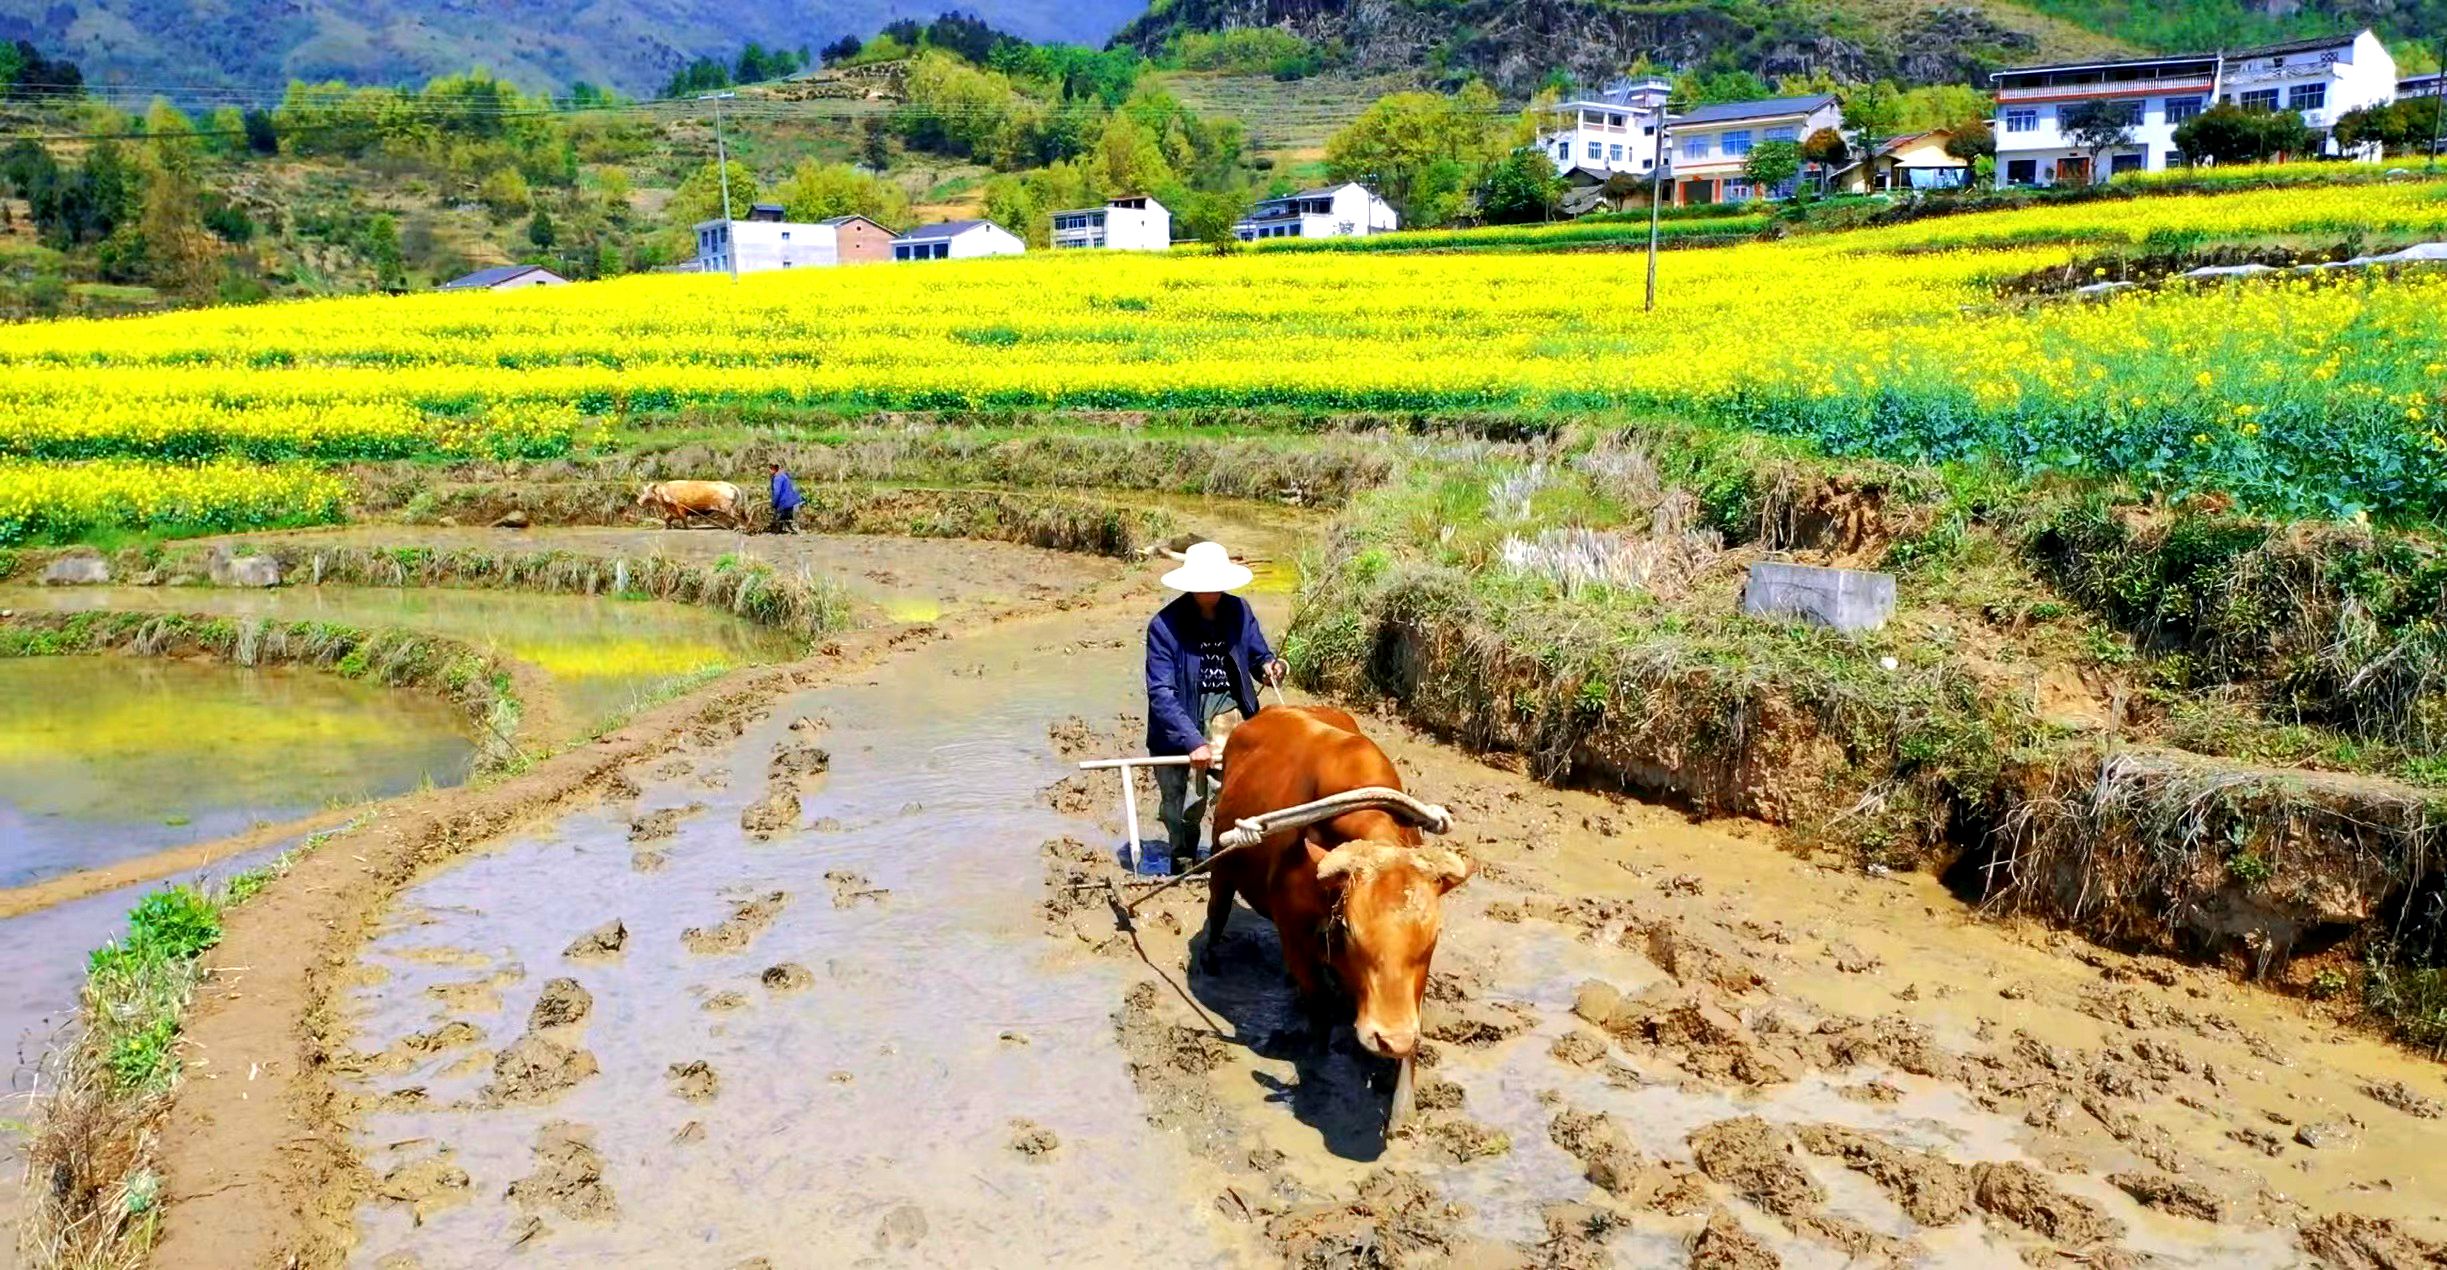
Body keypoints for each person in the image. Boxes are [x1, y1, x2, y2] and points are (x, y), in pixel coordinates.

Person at [1145, 541, 1286, 873]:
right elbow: (1161, 692)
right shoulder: (1164, 626)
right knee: (1179, 803)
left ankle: (1232, 857)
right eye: (1204, 585)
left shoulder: (1239, 612)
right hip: (1181, 714)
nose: (1211, 591)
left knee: (1235, 790)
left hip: (1227, 707)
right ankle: (1182, 857)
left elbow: (1257, 656)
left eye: (1216, 584)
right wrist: (1192, 741)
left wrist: (1271, 667)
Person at [768, 461, 800, 534]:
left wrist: (774, 503)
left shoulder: (777, 478)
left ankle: (777, 530)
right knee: (787, 518)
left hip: (784, 501)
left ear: (774, 469)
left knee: (779, 516)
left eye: (770, 468)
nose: (769, 470)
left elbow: (777, 492)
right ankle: (788, 530)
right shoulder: (784, 475)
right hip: (791, 500)